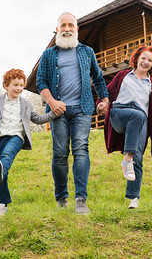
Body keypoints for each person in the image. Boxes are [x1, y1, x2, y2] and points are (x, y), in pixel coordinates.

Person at [36, 12, 109, 214]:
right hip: (57, 111)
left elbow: (98, 78)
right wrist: (52, 102)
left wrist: (105, 100)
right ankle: (61, 198)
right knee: (60, 153)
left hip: (83, 109)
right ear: (57, 29)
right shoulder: (48, 55)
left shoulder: (87, 52)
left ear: (77, 29)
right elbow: (40, 82)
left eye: (71, 25)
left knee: (81, 149)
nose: (67, 28)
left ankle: (81, 199)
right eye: (63, 25)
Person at [0, 69, 58, 216]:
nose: (19, 88)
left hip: (16, 137)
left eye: (21, 85)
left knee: (6, 157)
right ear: (6, 86)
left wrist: (52, 114)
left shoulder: (26, 104)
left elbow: (37, 119)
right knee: (2, 174)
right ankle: (3, 203)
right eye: (15, 85)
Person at [98, 45, 152, 209]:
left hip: (140, 121)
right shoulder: (123, 76)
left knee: (139, 158)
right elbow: (107, 92)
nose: (146, 62)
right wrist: (102, 103)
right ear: (137, 59)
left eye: (150, 60)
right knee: (138, 115)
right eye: (143, 58)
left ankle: (133, 199)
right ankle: (127, 158)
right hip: (119, 114)